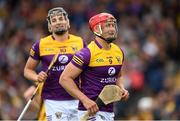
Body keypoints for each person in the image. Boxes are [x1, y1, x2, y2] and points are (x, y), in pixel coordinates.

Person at [59, 13, 129, 121]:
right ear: (97, 29)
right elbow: (64, 79)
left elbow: (118, 76)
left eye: (113, 25)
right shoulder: (87, 53)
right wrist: (85, 100)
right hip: (90, 112)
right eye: (108, 26)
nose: (112, 29)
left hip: (109, 112)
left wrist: (122, 88)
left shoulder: (118, 51)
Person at [24, 7, 86, 121]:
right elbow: (27, 70)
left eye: (61, 19)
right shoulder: (41, 44)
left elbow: (88, 69)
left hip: (77, 97)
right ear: (50, 26)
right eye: (54, 20)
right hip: (53, 100)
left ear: (67, 22)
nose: (58, 22)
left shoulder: (80, 42)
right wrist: (37, 77)